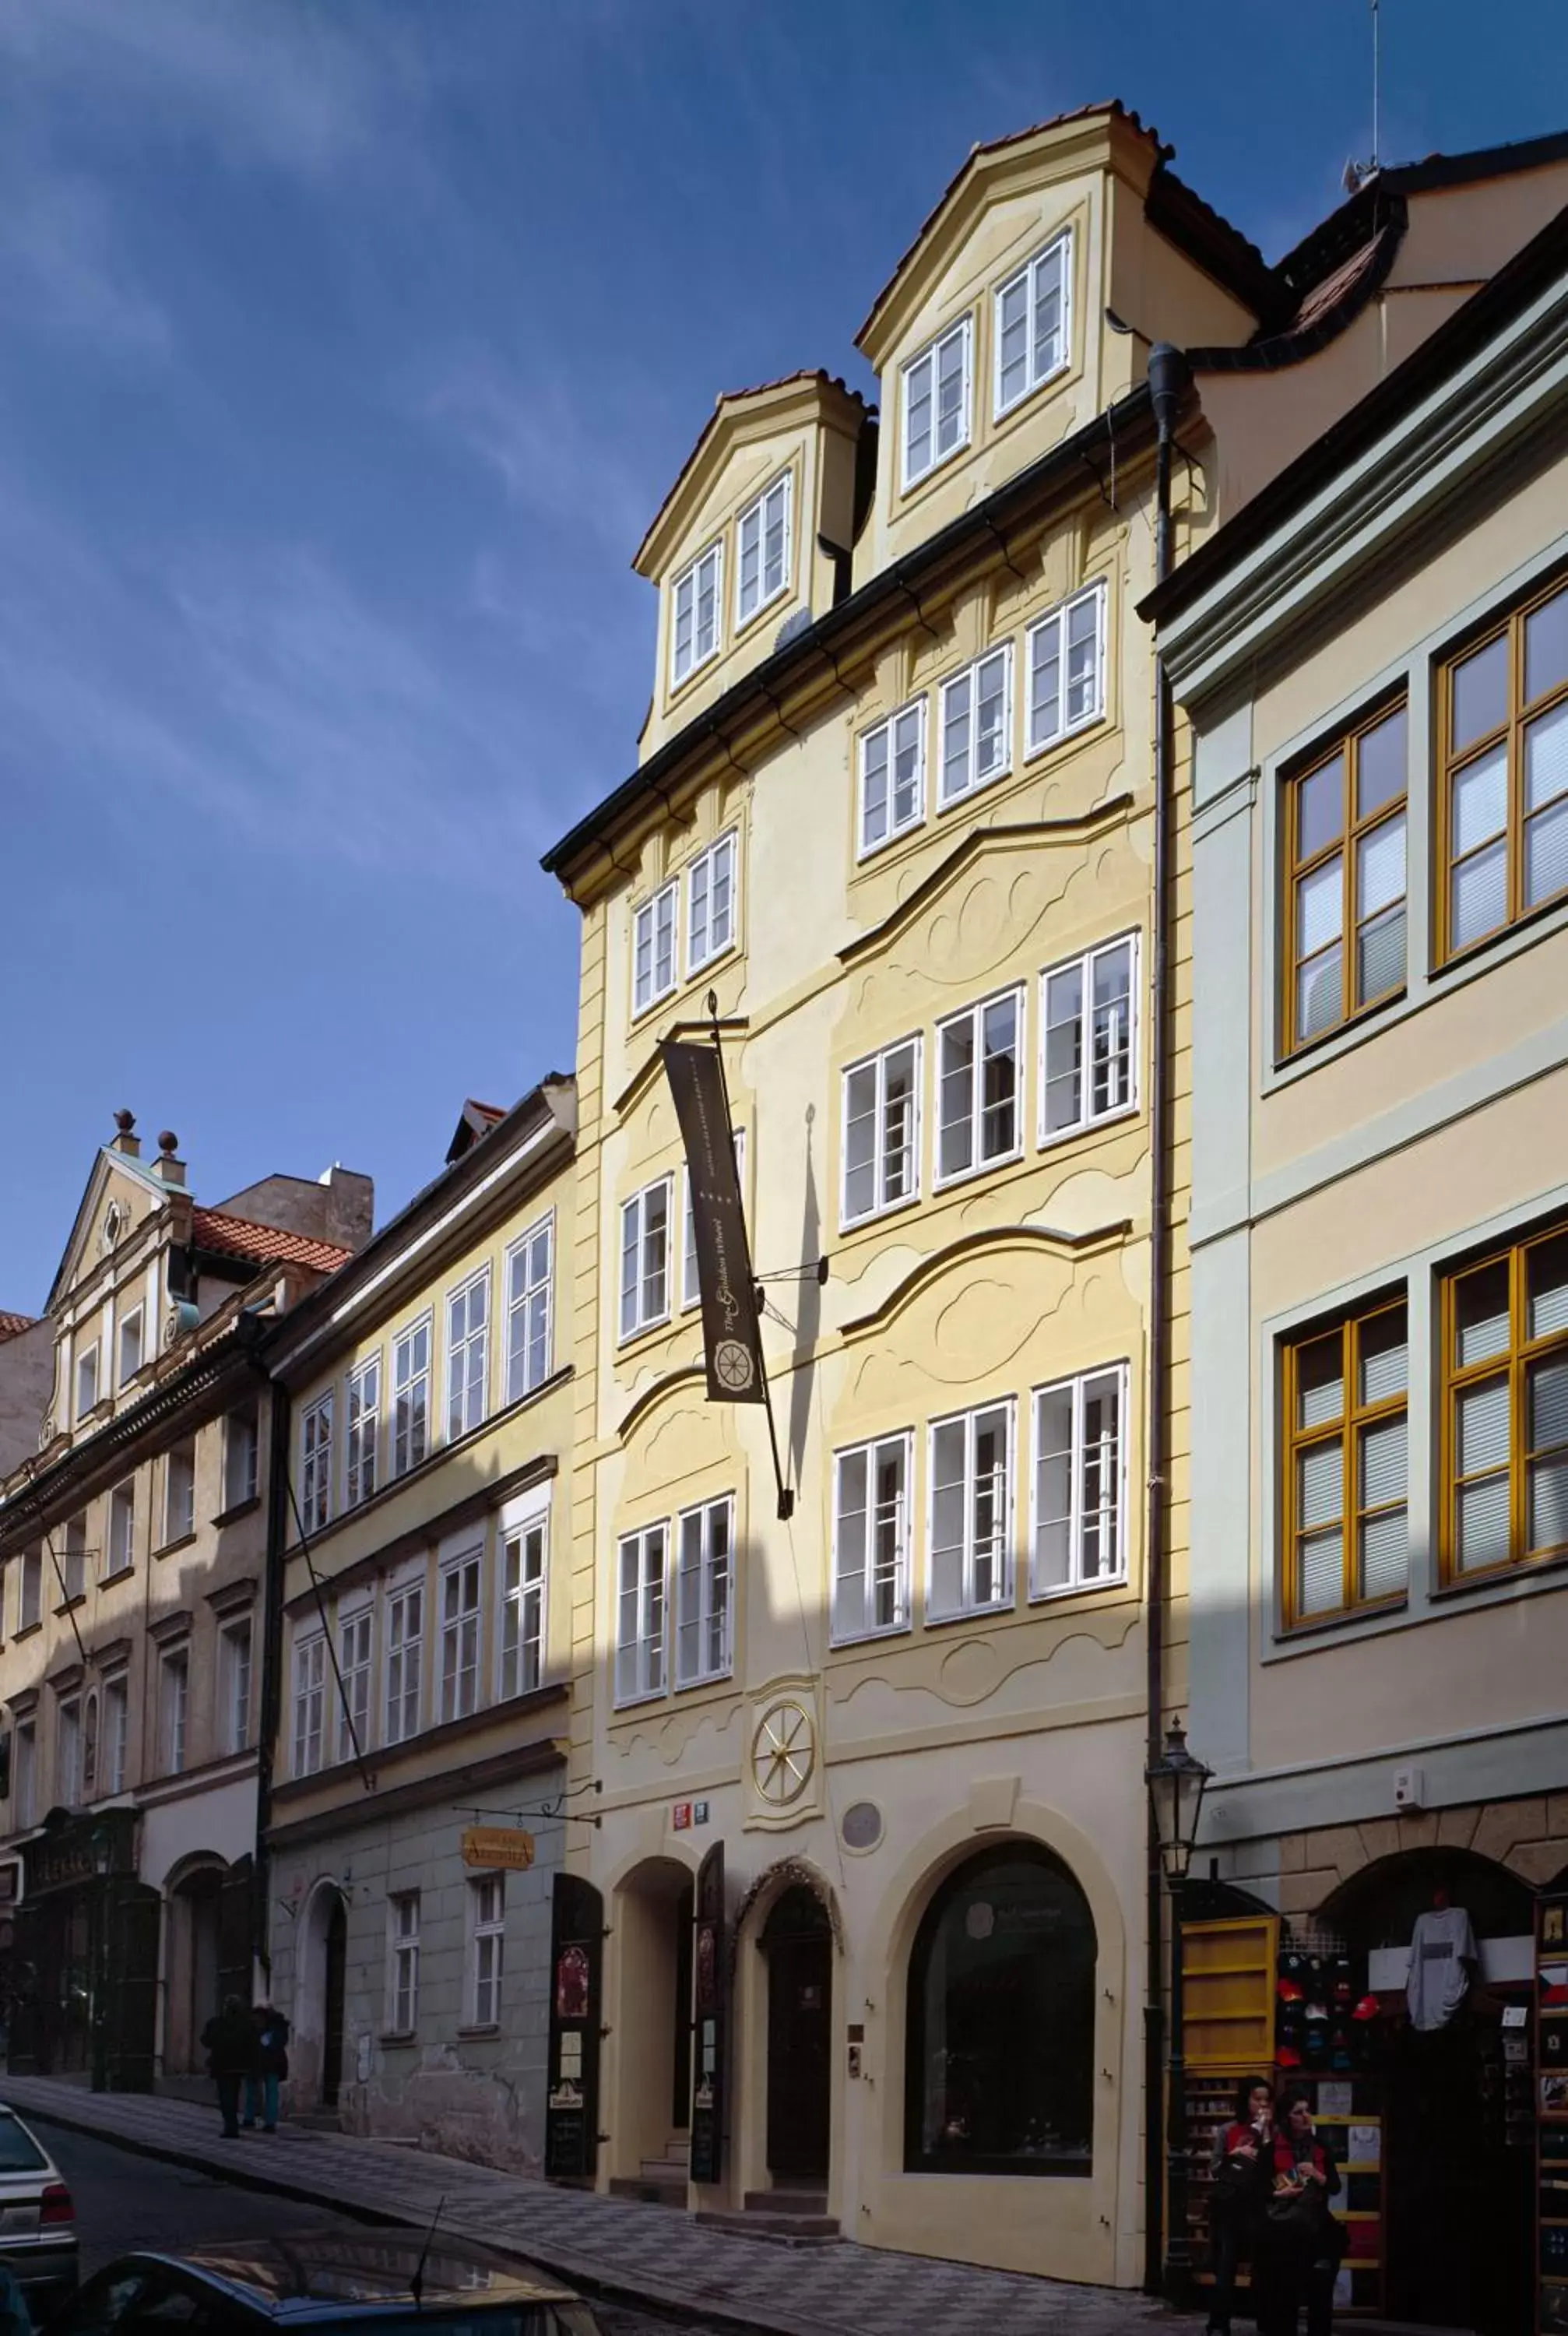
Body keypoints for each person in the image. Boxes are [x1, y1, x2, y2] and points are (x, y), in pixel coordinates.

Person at [1254, 2091, 1344, 2336]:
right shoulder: (1272, 2150)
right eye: (1298, 2112)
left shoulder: (1321, 2148)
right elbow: (1259, 2189)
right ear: (1286, 2118)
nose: (1306, 2117)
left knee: (1320, 2295)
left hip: (1316, 2230)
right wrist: (1278, 2193)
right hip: (1283, 2233)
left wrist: (1318, 2175)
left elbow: (1335, 2187)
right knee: (1285, 2297)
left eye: (1307, 2111)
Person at [1205, 2075, 1275, 2336]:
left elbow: (1275, 2170)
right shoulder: (1229, 2130)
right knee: (1227, 2264)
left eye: (1266, 2100)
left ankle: (1265, 2322)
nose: (1262, 2105)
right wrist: (1235, 2154)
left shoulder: (1272, 2131)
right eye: (1257, 2099)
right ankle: (1219, 2323)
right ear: (1246, 2100)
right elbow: (1215, 2168)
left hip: (1260, 2207)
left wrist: (1265, 2135)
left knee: (1263, 2266)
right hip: (1232, 2206)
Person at [202, 1993, 258, 2138]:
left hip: (222, 2064)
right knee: (233, 2094)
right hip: (238, 2065)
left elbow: (206, 2041)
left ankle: (230, 2126)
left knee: (225, 2096)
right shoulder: (246, 2023)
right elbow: (253, 2044)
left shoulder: (216, 2023)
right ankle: (232, 2125)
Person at [242, 2001, 290, 2134]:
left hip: (258, 2061)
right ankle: (269, 2122)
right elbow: (282, 2042)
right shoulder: (278, 2025)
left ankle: (250, 2118)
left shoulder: (254, 2023)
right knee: (270, 2092)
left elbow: (248, 2042)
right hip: (271, 2062)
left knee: (254, 2091)